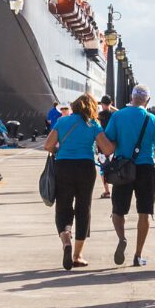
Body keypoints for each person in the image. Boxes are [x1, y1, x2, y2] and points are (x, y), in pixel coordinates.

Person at [96, 84, 155, 266]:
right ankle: (138, 255)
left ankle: (122, 237)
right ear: (148, 100)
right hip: (145, 168)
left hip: (122, 168)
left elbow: (109, 140)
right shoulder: (152, 119)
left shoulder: (118, 116)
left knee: (118, 210)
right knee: (145, 212)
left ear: (131, 97)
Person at [44, 92, 102, 270]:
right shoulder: (93, 125)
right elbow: (106, 148)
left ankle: (66, 240)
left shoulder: (63, 121)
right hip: (85, 168)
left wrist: (59, 152)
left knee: (63, 206)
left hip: (64, 167)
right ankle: (77, 255)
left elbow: (47, 145)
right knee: (84, 208)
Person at [96, 96, 116, 199]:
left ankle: (107, 191)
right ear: (111, 103)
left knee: (103, 169)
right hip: (113, 144)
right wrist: (111, 107)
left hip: (102, 145)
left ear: (102, 104)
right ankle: (116, 187)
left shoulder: (100, 115)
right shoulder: (114, 115)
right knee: (115, 166)